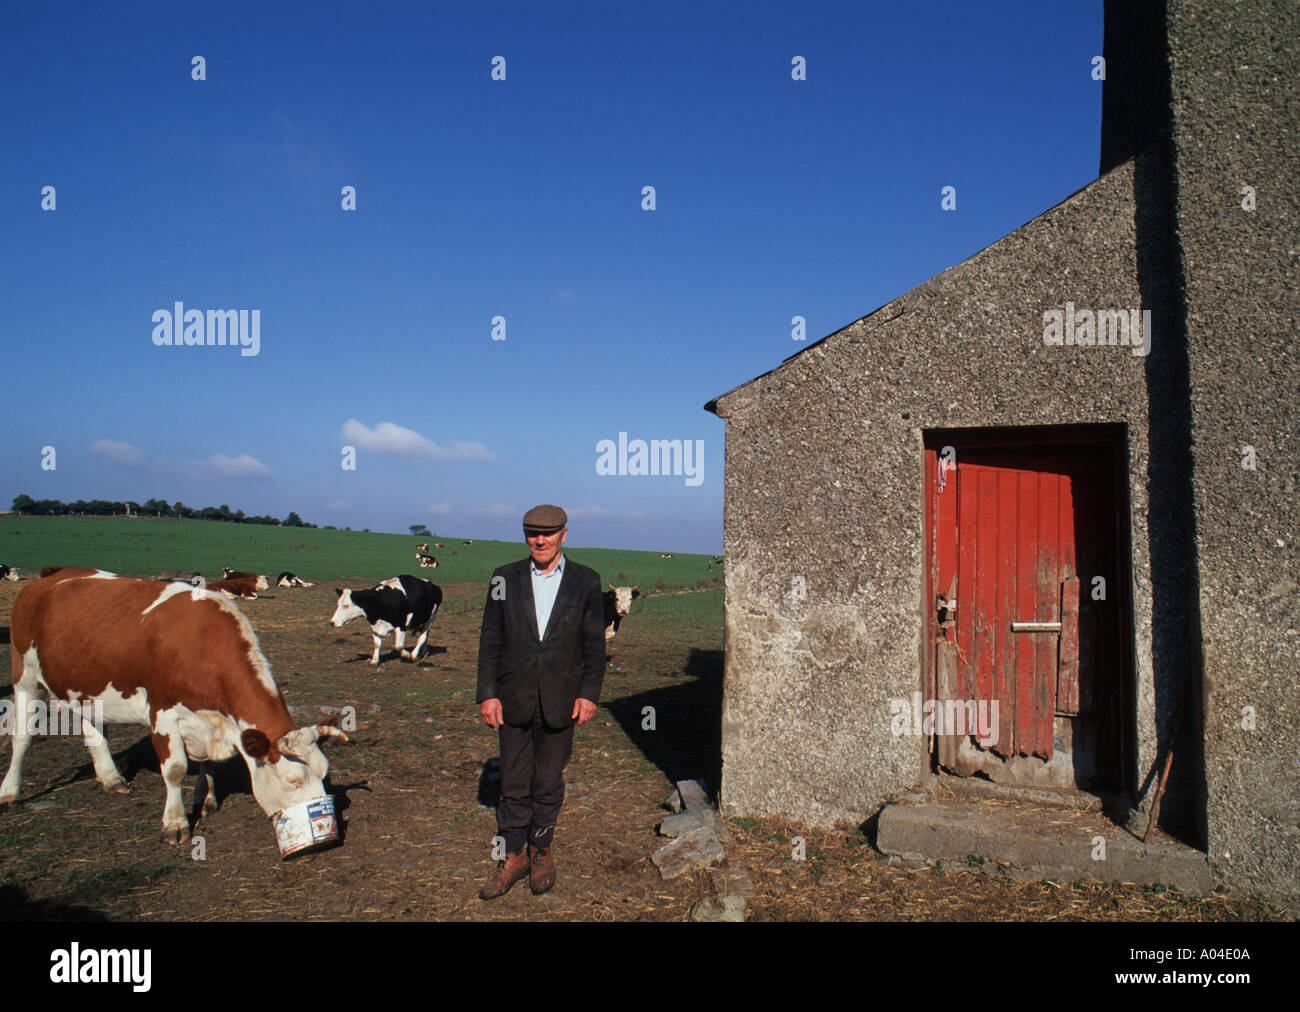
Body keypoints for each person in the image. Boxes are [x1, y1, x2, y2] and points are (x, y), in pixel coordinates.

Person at [475, 504, 607, 899]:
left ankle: (541, 850)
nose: (540, 540)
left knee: (547, 781)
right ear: (525, 536)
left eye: (548, 533)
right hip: (513, 699)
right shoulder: (504, 578)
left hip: (562, 700)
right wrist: (488, 694)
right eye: (532, 533)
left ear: (564, 534)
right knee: (514, 782)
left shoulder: (587, 581)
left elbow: (595, 646)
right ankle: (513, 855)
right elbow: (490, 642)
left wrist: (589, 694)